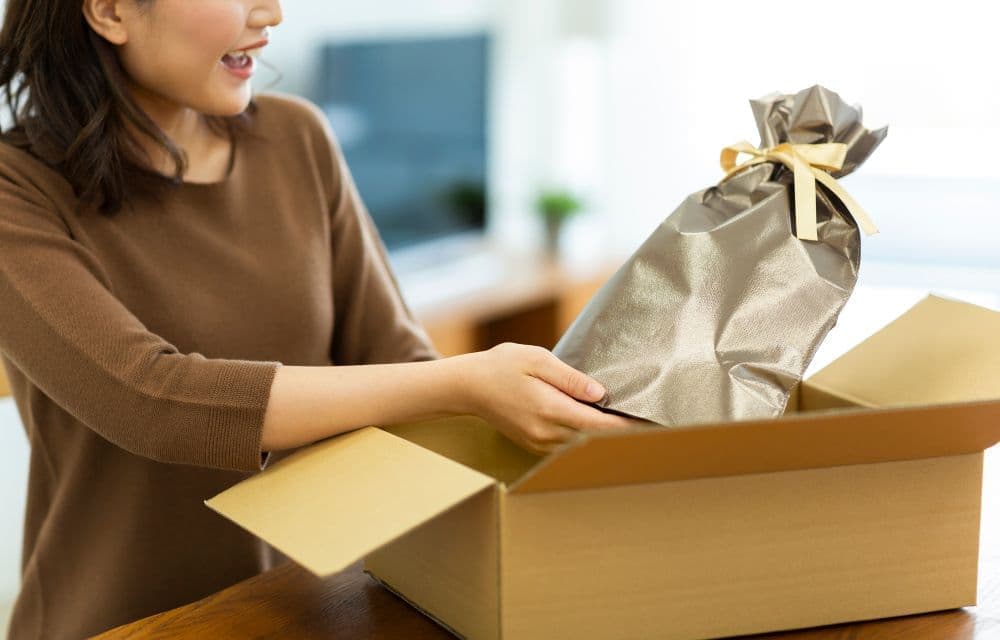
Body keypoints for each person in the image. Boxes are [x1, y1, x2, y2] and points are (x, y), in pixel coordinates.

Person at [0, 0, 633, 637]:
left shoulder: (296, 137)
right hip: (118, 626)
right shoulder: (16, 187)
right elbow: (151, 400)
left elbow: (397, 358)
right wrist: (463, 382)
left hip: (312, 609)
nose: (271, 13)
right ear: (110, 11)